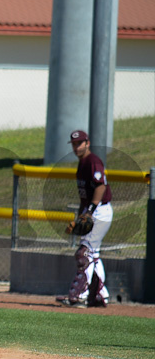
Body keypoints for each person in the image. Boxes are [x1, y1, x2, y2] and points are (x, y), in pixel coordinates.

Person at [57, 130, 112, 308]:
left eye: (79, 143)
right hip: (92, 211)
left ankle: (79, 296)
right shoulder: (82, 163)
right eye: (73, 144)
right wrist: (81, 217)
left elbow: (100, 186)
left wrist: (90, 212)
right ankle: (100, 295)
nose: (76, 147)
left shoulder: (92, 161)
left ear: (87, 143)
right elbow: (84, 196)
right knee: (92, 254)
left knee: (84, 253)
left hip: (100, 211)